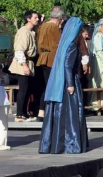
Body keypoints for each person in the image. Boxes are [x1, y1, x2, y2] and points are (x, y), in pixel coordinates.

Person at [39, 17, 88, 154]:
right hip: (69, 82)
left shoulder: (64, 44)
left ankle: (54, 143)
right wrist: (71, 85)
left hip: (63, 82)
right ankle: (69, 143)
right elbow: (67, 65)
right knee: (71, 113)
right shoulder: (72, 45)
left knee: (60, 113)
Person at [9, 10, 39, 122]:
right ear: (28, 19)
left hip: (29, 62)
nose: (37, 19)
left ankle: (25, 113)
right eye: (35, 17)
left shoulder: (31, 31)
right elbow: (19, 50)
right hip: (23, 62)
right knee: (23, 89)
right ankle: (19, 114)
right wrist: (24, 66)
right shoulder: (23, 32)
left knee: (28, 89)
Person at [36, 6, 63, 121]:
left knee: (47, 85)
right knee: (51, 85)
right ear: (60, 17)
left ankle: (41, 112)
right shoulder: (53, 28)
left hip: (42, 57)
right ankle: (46, 112)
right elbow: (58, 45)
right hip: (51, 58)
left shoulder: (42, 26)